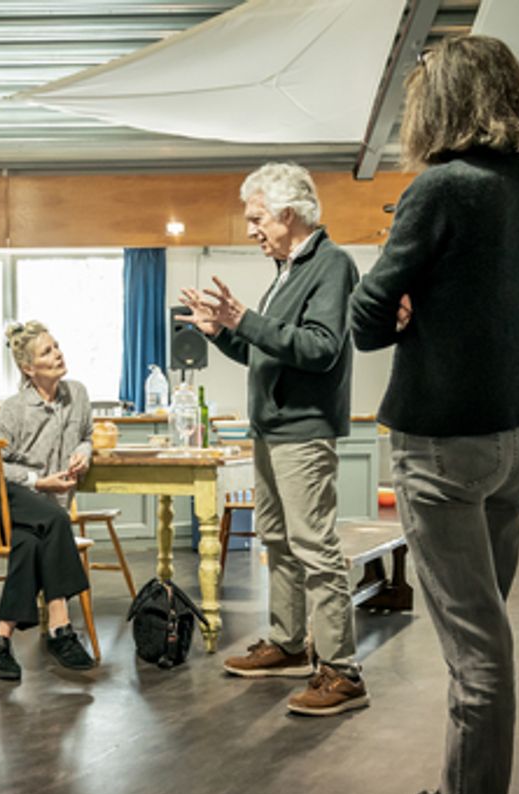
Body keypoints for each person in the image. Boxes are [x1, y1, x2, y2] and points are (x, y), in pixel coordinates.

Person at [349, 36, 519, 794]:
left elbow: (366, 316)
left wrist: (400, 309)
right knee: (485, 640)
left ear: (442, 105)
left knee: (477, 654)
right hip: (516, 436)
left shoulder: (440, 187)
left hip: (444, 445)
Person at [177, 162, 367, 717]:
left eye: (257, 218)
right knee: (279, 542)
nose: (252, 229)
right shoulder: (287, 269)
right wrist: (223, 331)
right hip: (272, 429)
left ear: (288, 214)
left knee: (315, 549)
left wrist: (246, 318)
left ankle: (343, 671)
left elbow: (320, 347)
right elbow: (267, 350)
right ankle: (289, 645)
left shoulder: (331, 265)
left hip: (303, 433)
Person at [0, 321, 95, 680]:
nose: (58, 353)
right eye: (47, 351)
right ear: (28, 368)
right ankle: (61, 629)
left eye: (57, 346)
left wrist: (83, 452)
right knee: (56, 520)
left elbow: (88, 435)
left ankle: (0, 643)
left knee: (30, 543)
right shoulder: (16, 408)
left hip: (38, 513)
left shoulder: (77, 394)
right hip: (5, 495)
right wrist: (36, 480)